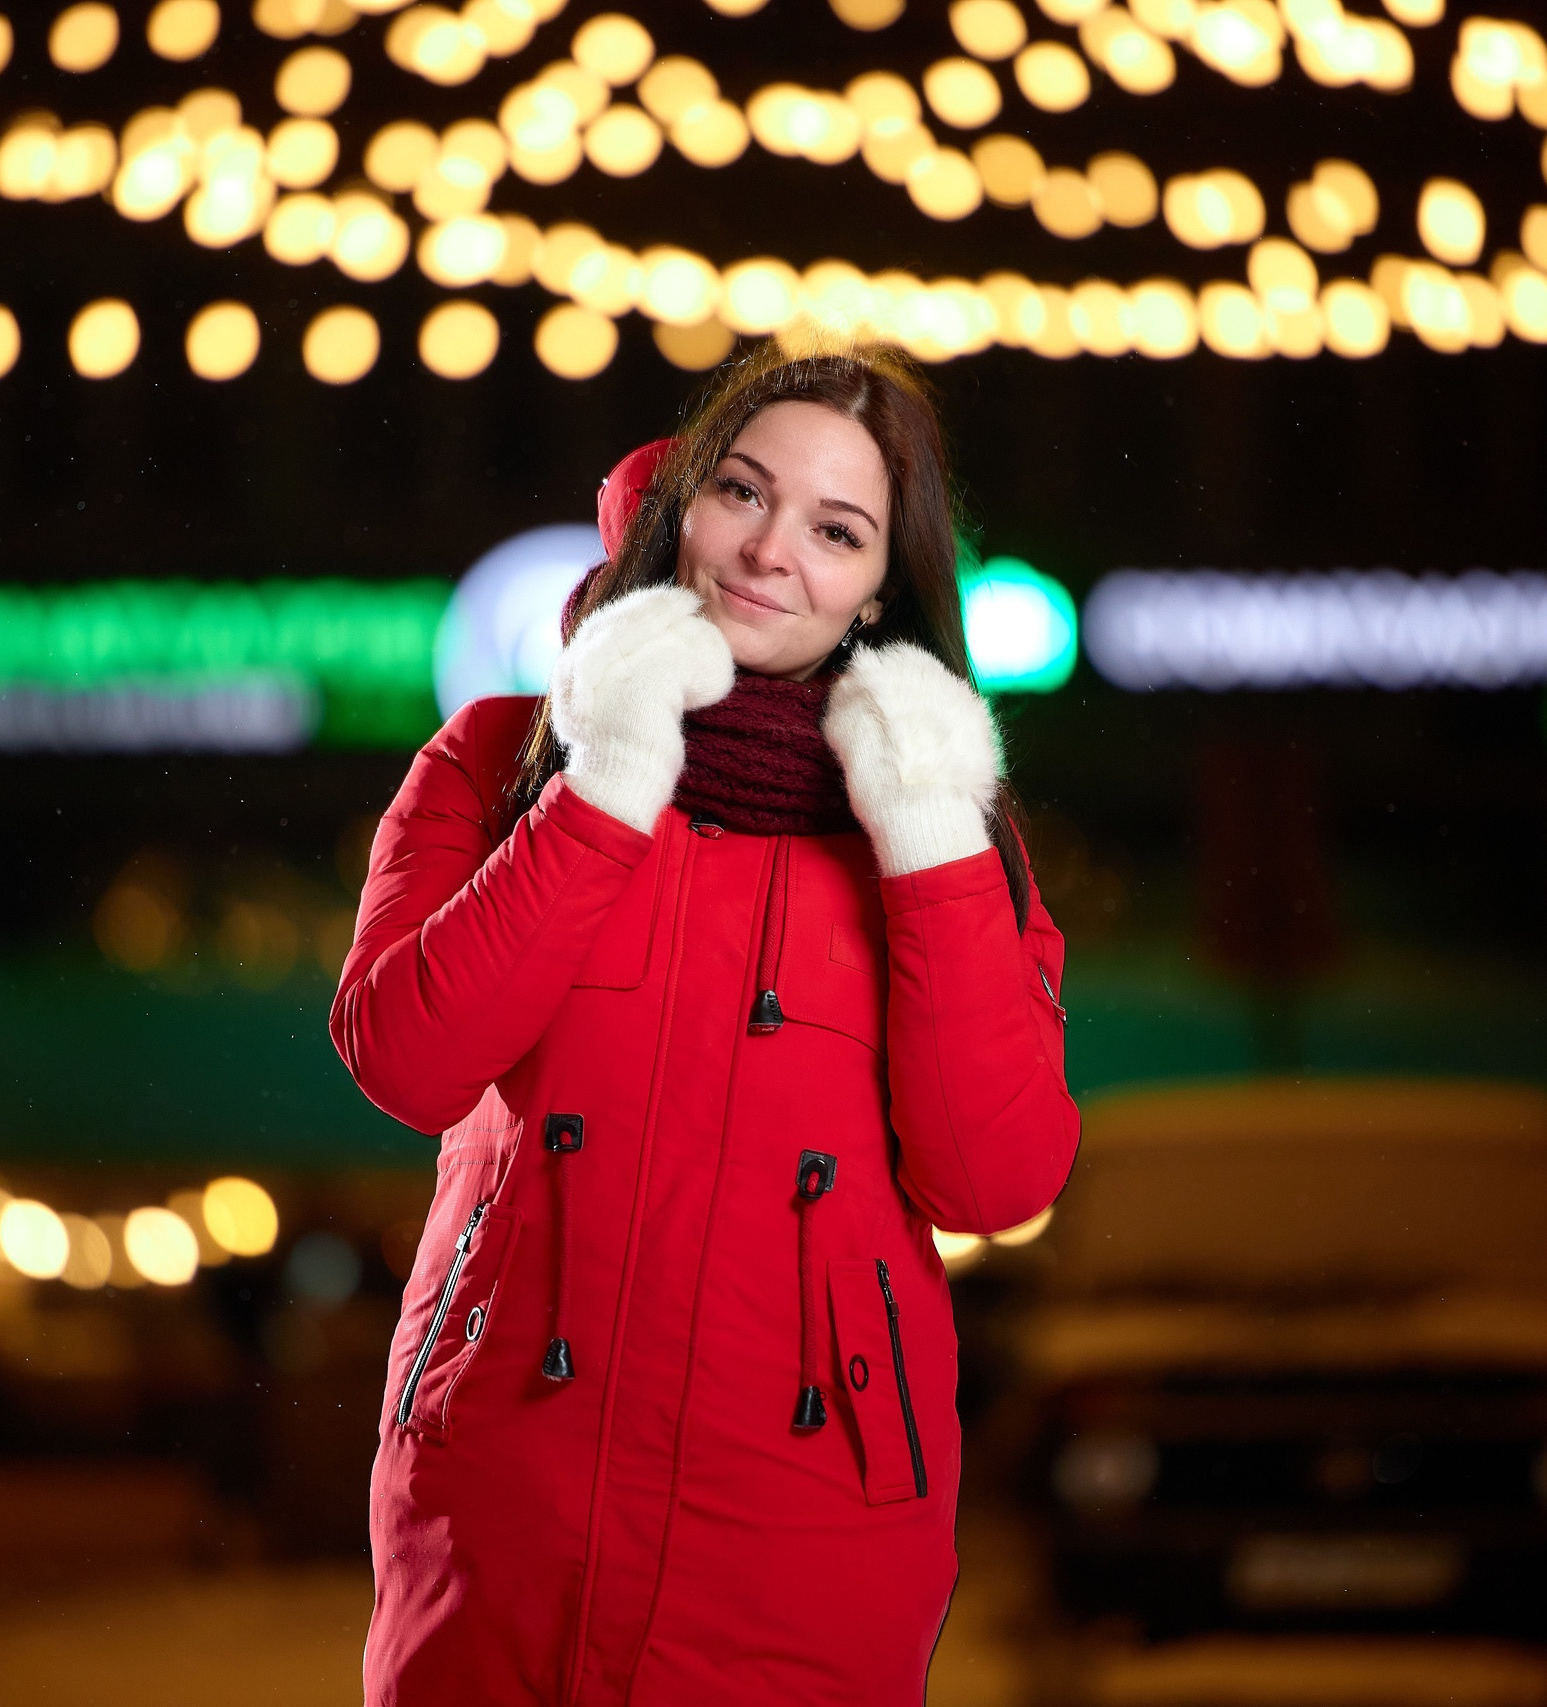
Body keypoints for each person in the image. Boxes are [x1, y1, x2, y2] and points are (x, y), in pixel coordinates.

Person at [331, 342, 1080, 1705]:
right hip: (504, 1502)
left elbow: (997, 1176)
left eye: (837, 530)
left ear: (878, 590)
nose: (770, 551)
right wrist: (609, 774)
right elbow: (408, 1056)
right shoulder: (501, 755)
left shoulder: (948, 836)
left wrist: (922, 825)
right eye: (743, 491)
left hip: (806, 1526)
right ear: (681, 503)